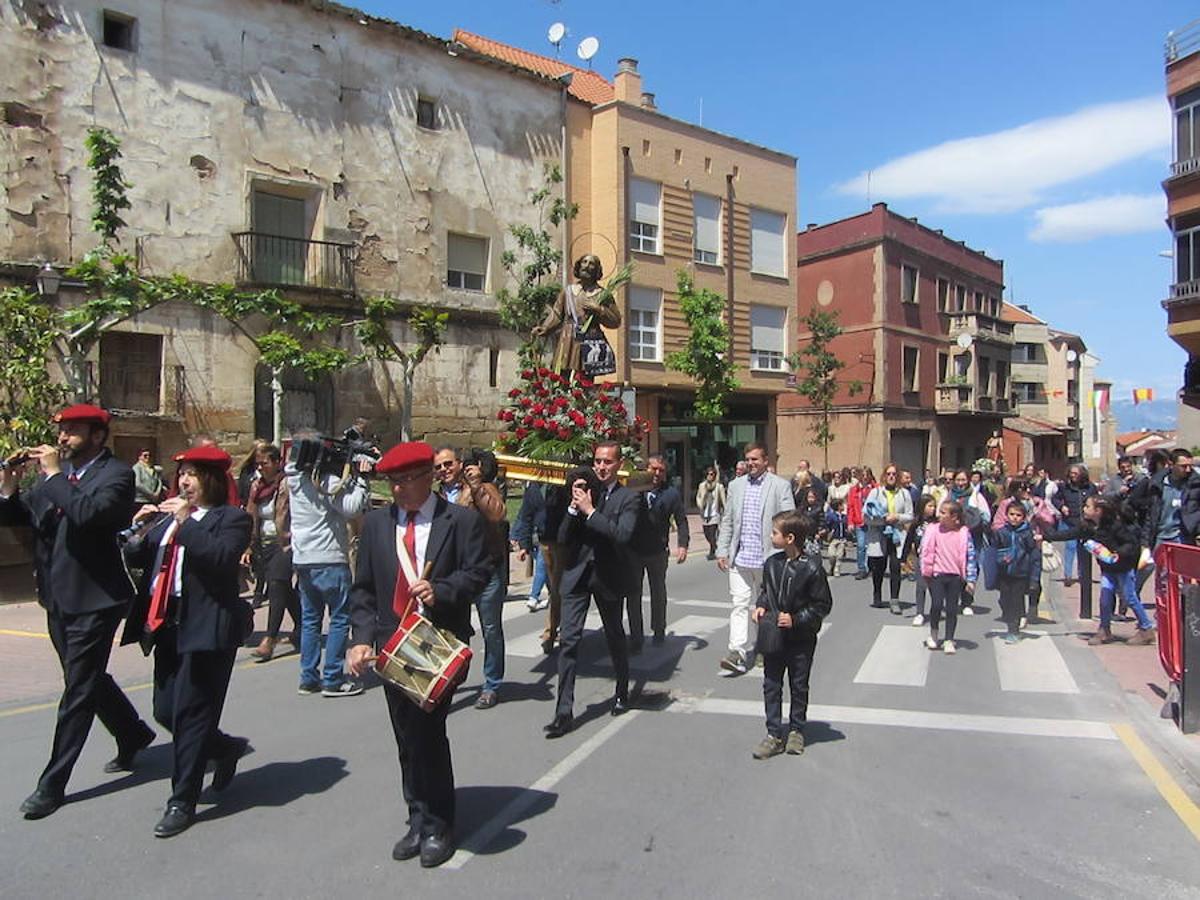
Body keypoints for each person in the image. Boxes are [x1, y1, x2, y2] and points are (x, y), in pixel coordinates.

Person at [2, 404, 156, 821]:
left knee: (78, 692)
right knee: (82, 678)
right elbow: (20, 518)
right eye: (62, 430)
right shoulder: (59, 478)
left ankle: (51, 784)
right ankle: (133, 732)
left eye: (72, 431)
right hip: (56, 597)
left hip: (95, 599)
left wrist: (51, 475)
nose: (63, 437)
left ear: (97, 436)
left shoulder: (116, 476)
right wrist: (9, 487)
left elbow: (88, 516)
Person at [346, 441, 492, 868]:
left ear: (427, 477)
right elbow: (364, 588)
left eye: (405, 480)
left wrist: (441, 590)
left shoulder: (459, 521)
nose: (396, 490)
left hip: (436, 642)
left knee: (427, 734)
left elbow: (480, 570)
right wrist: (360, 638)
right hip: (393, 646)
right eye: (391, 482)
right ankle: (416, 816)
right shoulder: (376, 524)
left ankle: (438, 823)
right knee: (405, 736)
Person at [121, 445, 253, 837]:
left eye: (192, 474)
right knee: (166, 710)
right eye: (181, 474)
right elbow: (138, 554)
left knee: (192, 714)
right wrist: (138, 529)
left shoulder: (231, 519)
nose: (183, 482)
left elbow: (219, 557)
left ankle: (181, 800)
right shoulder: (171, 520)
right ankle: (224, 748)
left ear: (211, 479)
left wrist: (186, 520)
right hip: (167, 625)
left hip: (208, 626)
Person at [545, 441, 639, 738]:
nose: (601, 467)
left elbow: (622, 534)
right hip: (576, 576)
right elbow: (562, 537)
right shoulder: (581, 492)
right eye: (598, 461)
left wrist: (590, 511)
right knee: (569, 642)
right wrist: (574, 510)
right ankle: (563, 712)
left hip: (608, 575)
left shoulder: (628, 498)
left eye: (608, 462)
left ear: (618, 464)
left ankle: (622, 690)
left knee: (614, 635)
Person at [286, 433, 370, 697]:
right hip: (330, 558)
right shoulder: (325, 480)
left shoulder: (294, 479)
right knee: (338, 619)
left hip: (303, 559)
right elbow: (352, 507)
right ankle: (332, 678)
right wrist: (361, 479)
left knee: (311, 621)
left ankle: (308, 677)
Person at [750, 511, 832, 759]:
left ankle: (796, 730)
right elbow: (767, 591)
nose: (771, 535)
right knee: (771, 685)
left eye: (775, 532)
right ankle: (773, 734)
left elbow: (822, 604)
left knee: (798, 684)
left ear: (790, 538)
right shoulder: (772, 563)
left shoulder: (812, 567)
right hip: (774, 636)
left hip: (801, 639)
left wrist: (796, 619)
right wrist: (762, 605)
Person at [433, 447, 507, 709]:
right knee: (452, 631)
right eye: (439, 466)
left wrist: (476, 487)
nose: (444, 470)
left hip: (487, 570)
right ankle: (449, 680)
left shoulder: (482, 487)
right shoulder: (437, 498)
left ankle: (491, 684)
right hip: (456, 575)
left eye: (448, 464)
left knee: (490, 629)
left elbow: (497, 514)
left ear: (459, 464)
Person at [715, 442, 796, 676]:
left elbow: (789, 520)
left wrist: (787, 553)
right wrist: (722, 550)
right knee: (739, 605)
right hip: (740, 557)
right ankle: (736, 653)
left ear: (765, 461)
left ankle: (763, 647)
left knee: (766, 609)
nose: (751, 463)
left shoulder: (779, 486)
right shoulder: (736, 486)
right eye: (748, 459)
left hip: (768, 559)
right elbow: (728, 520)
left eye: (755, 459)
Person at [1043, 495, 1155, 646]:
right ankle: (1104, 629)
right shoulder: (1087, 527)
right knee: (1105, 598)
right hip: (1108, 569)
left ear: (1099, 511)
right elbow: (1069, 534)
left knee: (1130, 597)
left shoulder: (1116, 526)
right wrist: (1046, 536)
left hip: (1123, 567)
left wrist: (1118, 552)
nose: (1084, 509)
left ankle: (1146, 629)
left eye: (1088, 507)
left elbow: (1131, 544)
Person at [626, 455, 689, 649]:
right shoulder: (633, 490)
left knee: (658, 592)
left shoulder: (671, 494)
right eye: (653, 469)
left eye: (661, 470)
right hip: (633, 550)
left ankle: (659, 630)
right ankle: (636, 635)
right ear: (645, 469)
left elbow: (681, 520)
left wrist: (683, 545)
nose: (657, 473)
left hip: (657, 552)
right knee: (632, 594)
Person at [244, 444, 300, 662]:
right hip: (263, 543)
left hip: (284, 542)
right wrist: (248, 544)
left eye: (265, 463)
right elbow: (251, 515)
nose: (261, 468)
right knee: (284, 588)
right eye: (258, 464)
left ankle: (270, 638)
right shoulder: (256, 486)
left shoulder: (287, 484)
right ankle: (302, 626)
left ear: (277, 463)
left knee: (276, 583)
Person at [531, 254, 621, 376]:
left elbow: (615, 321)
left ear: (597, 269)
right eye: (584, 262)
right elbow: (557, 313)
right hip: (568, 338)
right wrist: (545, 328)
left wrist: (600, 310)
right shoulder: (568, 292)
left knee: (584, 377)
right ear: (579, 266)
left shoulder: (602, 295)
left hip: (590, 339)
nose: (587, 266)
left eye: (591, 263)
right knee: (562, 375)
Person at [920, 500, 977, 655]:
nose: (940, 515)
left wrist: (971, 580)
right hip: (937, 575)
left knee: (952, 609)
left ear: (955, 517)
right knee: (937, 605)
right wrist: (926, 572)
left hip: (955, 577)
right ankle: (934, 633)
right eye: (940, 511)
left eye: (944, 513)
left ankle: (949, 639)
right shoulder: (933, 530)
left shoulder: (963, 533)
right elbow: (925, 551)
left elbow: (971, 556)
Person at [864, 464, 913, 614]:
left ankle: (894, 600)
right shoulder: (876, 492)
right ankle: (877, 593)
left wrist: (897, 517)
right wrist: (883, 520)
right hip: (879, 534)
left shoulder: (904, 493)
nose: (891, 476)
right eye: (888, 474)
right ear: (884, 476)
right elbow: (866, 516)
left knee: (895, 567)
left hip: (897, 536)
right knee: (878, 567)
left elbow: (910, 515)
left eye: (894, 474)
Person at [992, 502, 1041, 643]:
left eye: (1018, 515)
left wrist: (1034, 579)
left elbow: (1034, 555)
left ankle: (1014, 630)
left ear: (1024, 517)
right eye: (1012, 514)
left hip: (1021, 573)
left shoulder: (1027, 534)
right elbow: (993, 550)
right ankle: (1010, 620)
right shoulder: (1002, 532)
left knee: (1016, 601)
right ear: (1006, 515)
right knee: (1004, 600)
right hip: (1004, 573)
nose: (1014, 518)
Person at [1056, 464, 1098, 618]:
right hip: (1070, 521)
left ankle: (1082, 576)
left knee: (1085, 552)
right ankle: (1068, 575)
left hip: (1086, 525)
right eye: (1071, 473)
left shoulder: (1090, 487)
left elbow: (1096, 501)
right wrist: (1062, 506)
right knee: (1070, 547)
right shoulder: (1064, 487)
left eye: (1076, 473)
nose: (1073, 475)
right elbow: (1056, 499)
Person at [908, 495, 938, 627]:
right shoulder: (916, 523)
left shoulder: (937, 523)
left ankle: (935, 610)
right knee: (921, 586)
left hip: (936, 559)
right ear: (922, 507)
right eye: (930, 506)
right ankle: (919, 613)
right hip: (920, 559)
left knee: (934, 586)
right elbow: (909, 540)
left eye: (934, 506)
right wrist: (903, 558)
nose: (933, 509)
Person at [847, 467, 874, 580]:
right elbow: (850, 507)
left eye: (866, 475)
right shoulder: (854, 490)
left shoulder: (875, 488)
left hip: (872, 522)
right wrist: (850, 522)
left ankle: (871, 568)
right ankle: (861, 569)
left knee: (871, 546)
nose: (864, 477)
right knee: (861, 546)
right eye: (862, 475)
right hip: (859, 522)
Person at [696, 466, 726, 561]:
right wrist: (700, 504)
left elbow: (723, 500)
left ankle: (712, 552)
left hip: (714, 514)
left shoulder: (719, 487)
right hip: (705, 514)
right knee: (707, 534)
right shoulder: (702, 485)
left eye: (712, 474)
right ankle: (716, 547)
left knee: (712, 534)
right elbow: (698, 497)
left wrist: (726, 511)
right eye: (708, 474)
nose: (710, 476)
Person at [822, 497, 849, 576]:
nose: (844, 506)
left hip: (841, 539)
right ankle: (832, 566)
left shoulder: (844, 517)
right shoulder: (831, 516)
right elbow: (827, 525)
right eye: (842, 505)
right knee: (832, 554)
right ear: (838, 506)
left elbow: (846, 528)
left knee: (839, 555)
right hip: (833, 539)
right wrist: (827, 532)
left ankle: (837, 569)